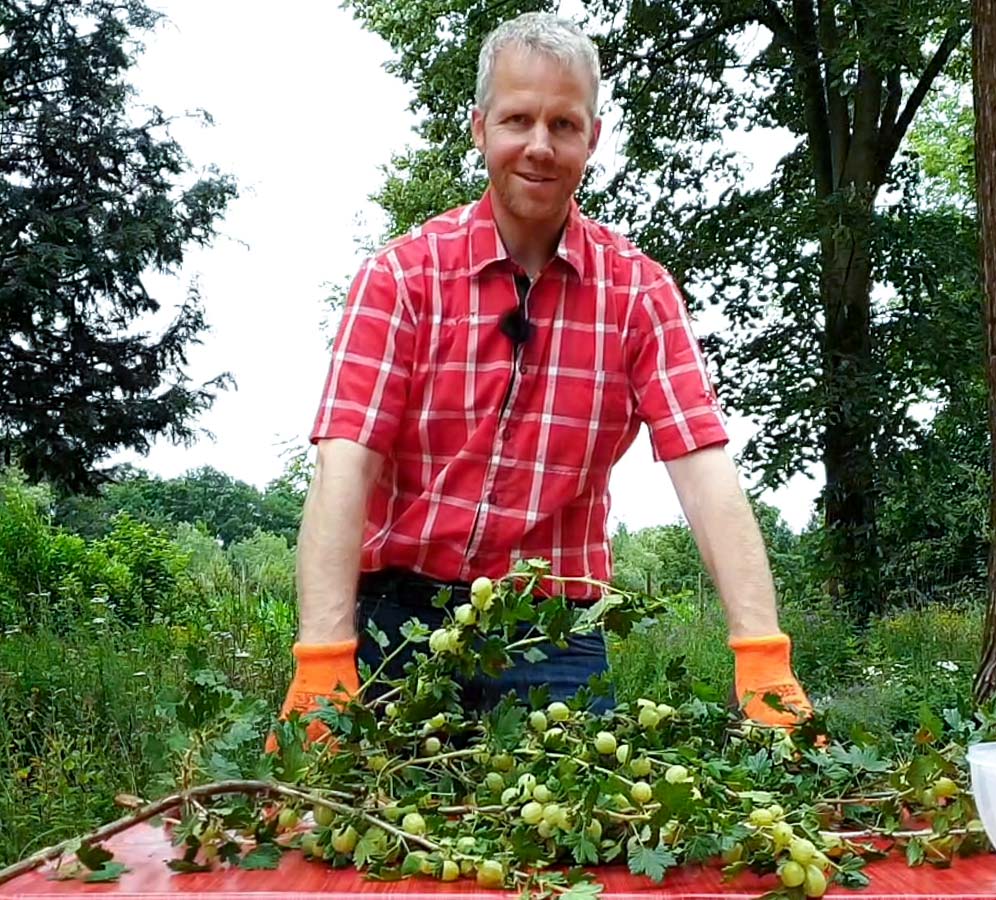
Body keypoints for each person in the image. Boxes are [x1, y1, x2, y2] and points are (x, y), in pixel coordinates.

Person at [272, 11, 810, 746]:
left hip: (551, 632)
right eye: (518, 119)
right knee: (362, 838)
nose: (539, 145)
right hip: (393, 621)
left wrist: (763, 656)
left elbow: (703, 465)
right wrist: (324, 660)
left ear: (592, 135)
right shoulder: (400, 278)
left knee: (564, 842)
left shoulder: (640, 294)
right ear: (479, 127)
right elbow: (345, 464)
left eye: (564, 124)